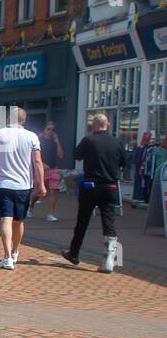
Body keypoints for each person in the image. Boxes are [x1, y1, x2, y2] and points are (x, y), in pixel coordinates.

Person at [0, 106, 45, 270]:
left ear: (9, 119)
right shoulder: (32, 137)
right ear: (24, 120)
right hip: (24, 186)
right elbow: (37, 162)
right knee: (19, 221)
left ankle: (7, 257)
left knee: (6, 220)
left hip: (3, 185)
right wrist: (41, 184)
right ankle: (15, 252)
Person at [62, 113, 124, 273]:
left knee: (83, 220)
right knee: (109, 221)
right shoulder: (117, 141)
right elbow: (123, 163)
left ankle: (74, 253)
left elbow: (76, 156)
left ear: (93, 126)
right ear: (108, 124)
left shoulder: (89, 140)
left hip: (91, 185)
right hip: (110, 186)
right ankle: (109, 260)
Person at [32, 120, 65, 221]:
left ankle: (50, 213)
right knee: (39, 192)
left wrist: (57, 141)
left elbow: (61, 155)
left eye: (53, 130)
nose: (50, 131)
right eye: (48, 129)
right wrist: (42, 163)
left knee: (54, 191)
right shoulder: (39, 140)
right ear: (45, 130)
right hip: (41, 170)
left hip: (53, 169)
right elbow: (33, 155)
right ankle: (30, 205)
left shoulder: (55, 142)